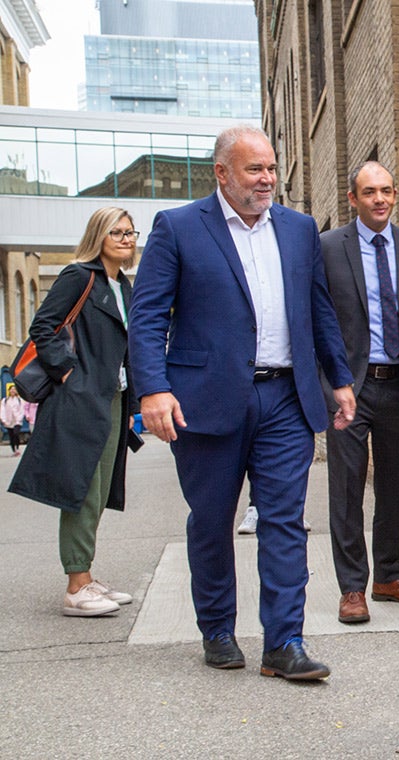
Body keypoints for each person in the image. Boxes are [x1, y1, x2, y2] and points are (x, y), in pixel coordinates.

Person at [128, 125, 356, 681]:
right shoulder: (179, 228)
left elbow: (318, 310)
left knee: (284, 521)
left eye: (272, 168)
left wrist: (340, 379)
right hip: (206, 400)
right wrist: (153, 389)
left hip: (286, 396)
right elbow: (149, 316)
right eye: (255, 169)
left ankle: (284, 641)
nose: (268, 178)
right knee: (211, 521)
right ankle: (217, 629)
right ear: (222, 173)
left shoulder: (300, 230)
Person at [320, 161, 399, 624]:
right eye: (369, 192)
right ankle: (352, 587)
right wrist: (330, 383)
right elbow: (319, 319)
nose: (380, 200)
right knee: (347, 489)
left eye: (387, 190)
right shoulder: (329, 247)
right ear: (353, 199)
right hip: (349, 386)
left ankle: (388, 576)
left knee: (394, 486)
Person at [9, 207, 142, 617]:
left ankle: (86, 576)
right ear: (98, 236)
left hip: (113, 397)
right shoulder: (79, 276)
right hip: (83, 397)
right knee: (82, 491)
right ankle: (75, 585)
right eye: (116, 232)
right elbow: (43, 327)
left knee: (99, 490)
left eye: (130, 232)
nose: (125, 239)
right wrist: (69, 373)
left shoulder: (124, 286)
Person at [2, 385, 26, 456]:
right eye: (11, 389)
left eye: (14, 389)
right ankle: (13, 449)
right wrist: (3, 419)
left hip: (17, 421)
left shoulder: (19, 400)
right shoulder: (5, 400)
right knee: (11, 435)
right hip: (8, 421)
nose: (12, 391)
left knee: (16, 433)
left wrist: (19, 418)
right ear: (9, 391)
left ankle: (17, 448)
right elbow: (2, 410)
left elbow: (22, 410)